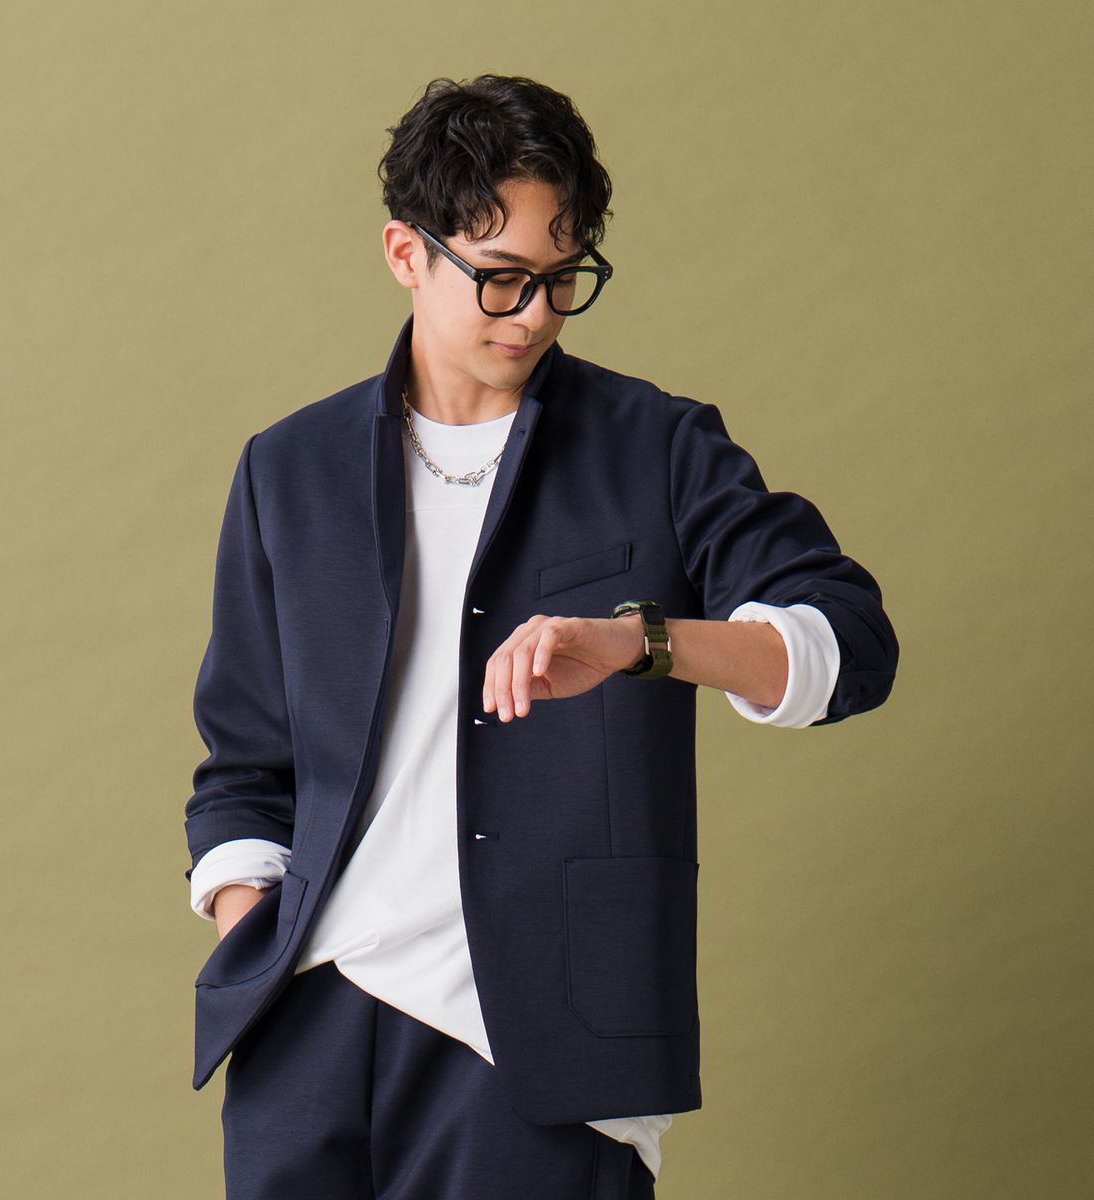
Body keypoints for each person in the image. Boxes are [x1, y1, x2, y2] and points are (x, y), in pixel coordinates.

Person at [184, 75, 898, 1200]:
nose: (535, 315)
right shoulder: (290, 469)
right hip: (308, 1026)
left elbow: (849, 645)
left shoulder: (655, 447)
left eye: (564, 279)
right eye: (502, 277)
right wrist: (253, 932)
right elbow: (243, 762)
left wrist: (641, 643)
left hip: (540, 1046)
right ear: (406, 253)